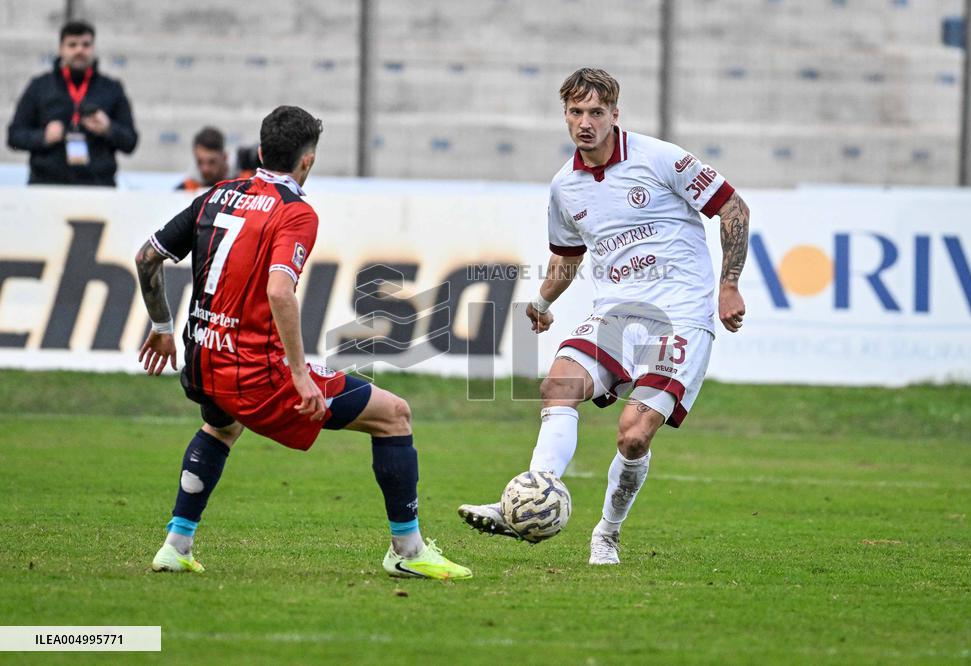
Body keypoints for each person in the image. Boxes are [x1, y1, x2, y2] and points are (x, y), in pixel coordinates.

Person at [135, 105, 471, 580]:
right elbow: (279, 290)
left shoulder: (216, 194)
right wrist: (298, 374)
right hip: (255, 373)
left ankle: (176, 545)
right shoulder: (295, 213)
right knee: (395, 415)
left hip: (202, 361)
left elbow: (146, 257)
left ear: (260, 150)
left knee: (222, 428)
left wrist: (162, 326)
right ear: (307, 160)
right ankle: (408, 551)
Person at [458, 68, 750, 565]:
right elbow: (567, 258)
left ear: (615, 114)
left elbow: (734, 208)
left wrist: (729, 285)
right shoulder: (565, 187)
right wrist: (542, 303)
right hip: (615, 313)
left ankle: (607, 533)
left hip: (678, 316)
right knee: (558, 386)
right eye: (576, 112)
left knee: (633, 437)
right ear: (565, 116)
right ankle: (527, 502)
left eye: (596, 112)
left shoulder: (660, 159)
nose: (585, 122)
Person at [6, 20, 138, 186]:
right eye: (72, 44)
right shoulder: (39, 86)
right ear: (61, 49)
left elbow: (131, 142)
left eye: (85, 44)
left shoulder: (112, 88)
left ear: (93, 48)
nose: (79, 50)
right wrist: (43, 137)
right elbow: (14, 137)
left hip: (98, 187)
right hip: (46, 185)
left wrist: (108, 128)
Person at [176, 126, 233, 191]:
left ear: (225, 157)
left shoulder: (241, 183)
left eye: (212, 162)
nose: (205, 169)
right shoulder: (184, 189)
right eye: (200, 162)